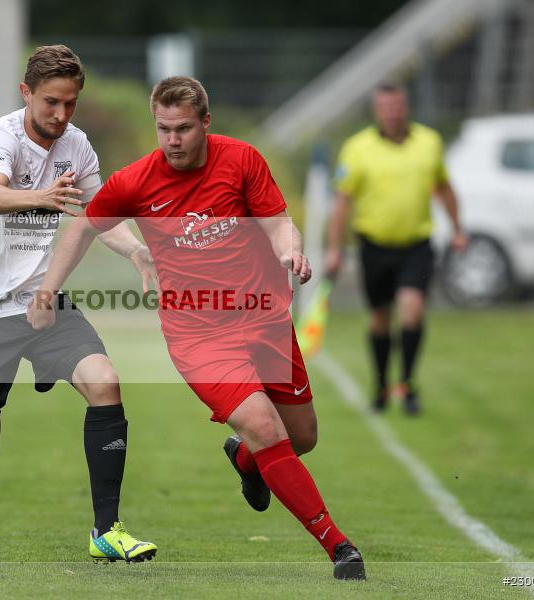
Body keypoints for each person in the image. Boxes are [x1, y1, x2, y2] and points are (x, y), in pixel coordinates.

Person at [29, 76, 366, 580]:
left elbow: (277, 222)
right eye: (164, 129)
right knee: (263, 426)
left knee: (302, 437)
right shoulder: (137, 181)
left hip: (264, 320)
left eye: (184, 128)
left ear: (205, 123)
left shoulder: (242, 160)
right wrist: (47, 290)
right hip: (199, 336)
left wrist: (289, 248)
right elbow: (82, 227)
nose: (173, 140)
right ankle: (340, 547)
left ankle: (249, 461)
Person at [0, 45, 156, 566]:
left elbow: (100, 210)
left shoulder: (77, 145)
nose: (61, 115)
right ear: (26, 93)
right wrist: (44, 196)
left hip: (42, 303)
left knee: (106, 382)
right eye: (51, 103)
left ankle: (106, 532)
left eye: (70, 103)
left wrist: (136, 250)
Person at [325, 83, 467, 415]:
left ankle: (407, 383)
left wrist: (458, 229)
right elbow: (342, 202)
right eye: (386, 107)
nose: (393, 112)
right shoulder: (357, 148)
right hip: (374, 246)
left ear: (406, 107)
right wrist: (334, 248)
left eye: (398, 106)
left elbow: (445, 188)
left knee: (412, 308)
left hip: (416, 245)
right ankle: (380, 384)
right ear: (378, 110)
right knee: (379, 319)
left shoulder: (429, 143)